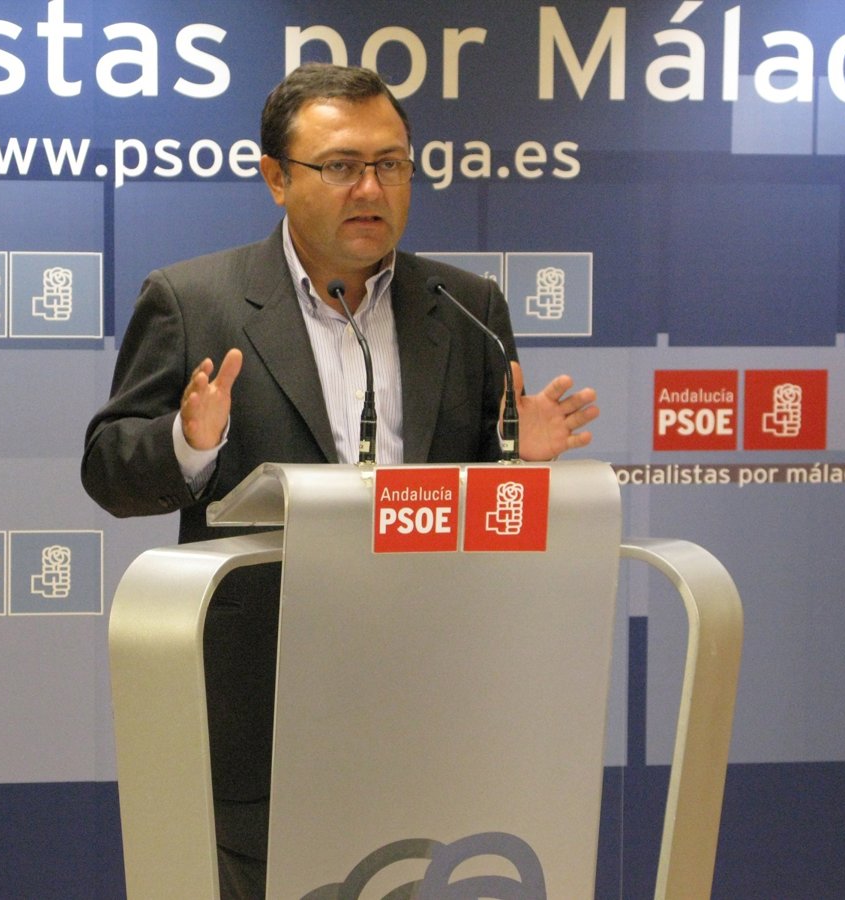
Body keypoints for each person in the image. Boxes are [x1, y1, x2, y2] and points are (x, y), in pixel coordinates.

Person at [82, 62, 599, 899]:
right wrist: (188, 442)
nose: (371, 188)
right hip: (266, 706)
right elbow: (109, 470)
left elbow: (484, 513)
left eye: (390, 164)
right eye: (341, 166)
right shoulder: (194, 301)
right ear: (277, 178)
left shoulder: (466, 308)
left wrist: (519, 465)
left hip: (433, 696)